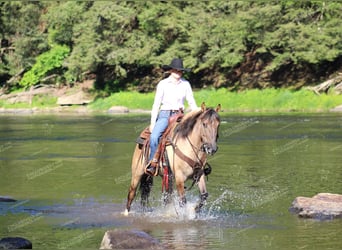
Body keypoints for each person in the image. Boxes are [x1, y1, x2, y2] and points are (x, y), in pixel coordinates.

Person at [145, 58, 198, 176]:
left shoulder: (186, 84)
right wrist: (153, 122)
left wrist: (196, 115)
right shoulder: (163, 84)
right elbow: (156, 104)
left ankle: (196, 163)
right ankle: (152, 163)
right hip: (165, 114)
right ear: (170, 71)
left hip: (180, 115)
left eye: (180, 71)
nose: (178, 73)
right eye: (176, 70)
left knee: (196, 135)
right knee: (154, 137)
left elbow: (191, 102)